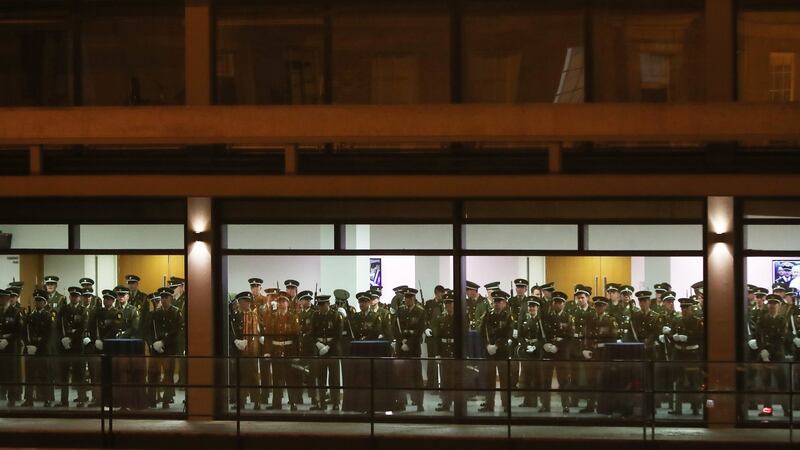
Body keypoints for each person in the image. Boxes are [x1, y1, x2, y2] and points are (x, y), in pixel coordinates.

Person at [751, 294, 789, 417]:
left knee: (782, 384)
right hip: (764, 355)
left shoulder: (782, 320)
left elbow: (781, 339)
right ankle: (767, 410)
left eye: (775, 304)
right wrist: (762, 350)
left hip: (778, 355)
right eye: (771, 304)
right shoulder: (762, 319)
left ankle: (786, 409)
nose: (772, 306)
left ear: (779, 306)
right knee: (766, 383)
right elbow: (758, 335)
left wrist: (768, 351)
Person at [580, 297, 619, 414]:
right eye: (597, 306)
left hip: (604, 354)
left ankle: (604, 406)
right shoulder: (590, 319)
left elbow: (614, 338)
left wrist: (601, 345)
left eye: (601, 306)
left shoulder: (610, 320)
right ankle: (590, 405)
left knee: (603, 381)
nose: (599, 308)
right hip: (592, 354)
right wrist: (584, 349)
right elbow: (585, 336)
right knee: (590, 380)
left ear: (605, 307)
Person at [86, 290, 123, 408]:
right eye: (105, 298)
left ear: (113, 300)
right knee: (96, 375)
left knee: (111, 375)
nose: (106, 301)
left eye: (109, 299)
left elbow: (114, 328)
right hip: (97, 346)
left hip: (110, 347)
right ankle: (97, 398)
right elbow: (91, 327)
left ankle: (112, 399)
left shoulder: (117, 313)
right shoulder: (97, 312)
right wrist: (95, 339)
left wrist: (103, 341)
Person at [263, 292, 299, 411]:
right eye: (279, 302)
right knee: (277, 378)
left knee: (291, 378)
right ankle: (276, 403)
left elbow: (296, 337)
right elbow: (268, 335)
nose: (281, 304)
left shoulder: (293, 317)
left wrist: (295, 354)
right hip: (276, 350)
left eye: (283, 302)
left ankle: (293, 403)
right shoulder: (271, 317)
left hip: (289, 351)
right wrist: (267, 352)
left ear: (288, 303)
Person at [479, 290, 513, 413]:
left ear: (505, 303)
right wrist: (487, 346)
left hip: (502, 352)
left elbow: (508, 334)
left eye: (500, 301)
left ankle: (506, 405)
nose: (497, 304)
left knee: (505, 380)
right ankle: (489, 404)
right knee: (489, 380)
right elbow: (482, 333)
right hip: (489, 352)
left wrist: (496, 346)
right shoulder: (488, 315)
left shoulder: (508, 316)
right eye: (495, 301)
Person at [668, 297, 704, 416]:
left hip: (692, 353)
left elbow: (700, 337)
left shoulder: (697, 321)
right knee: (678, 381)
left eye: (686, 308)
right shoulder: (676, 320)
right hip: (679, 353)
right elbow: (672, 334)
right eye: (682, 308)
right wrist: (673, 337)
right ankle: (677, 408)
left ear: (691, 308)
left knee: (694, 381)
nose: (684, 310)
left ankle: (695, 407)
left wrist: (688, 338)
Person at [392, 287, 426, 412]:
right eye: (406, 298)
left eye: (409, 298)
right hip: (401, 348)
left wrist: (409, 343)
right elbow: (394, 327)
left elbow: (419, 330)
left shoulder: (420, 312)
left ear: (414, 298)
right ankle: (401, 402)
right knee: (400, 377)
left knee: (417, 377)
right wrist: (401, 341)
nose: (407, 300)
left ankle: (419, 403)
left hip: (414, 349)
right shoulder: (400, 311)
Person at [56, 287, 89, 407]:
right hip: (64, 346)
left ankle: (81, 399)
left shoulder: (83, 310)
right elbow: (58, 326)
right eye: (73, 296)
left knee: (79, 374)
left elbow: (83, 328)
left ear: (79, 297)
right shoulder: (63, 309)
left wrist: (71, 338)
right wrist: (62, 338)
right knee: (64, 374)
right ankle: (64, 401)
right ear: (70, 297)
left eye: (77, 296)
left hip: (77, 346)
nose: (74, 298)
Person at [150, 287, 183, 409]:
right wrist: (154, 343)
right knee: (153, 373)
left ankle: (166, 399)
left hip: (169, 348)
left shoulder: (176, 312)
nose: (164, 300)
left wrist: (163, 342)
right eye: (162, 298)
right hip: (156, 348)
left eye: (166, 298)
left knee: (169, 375)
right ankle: (152, 399)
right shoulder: (155, 313)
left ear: (171, 298)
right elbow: (151, 330)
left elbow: (176, 331)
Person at [541, 291, 573, 413]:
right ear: (552, 303)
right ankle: (545, 405)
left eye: (560, 302)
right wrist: (546, 344)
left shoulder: (569, 317)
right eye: (555, 302)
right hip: (548, 352)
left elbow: (569, 337)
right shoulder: (546, 316)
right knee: (546, 380)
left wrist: (558, 346)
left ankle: (566, 405)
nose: (557, 304)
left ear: (564, 304)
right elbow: (543, 333)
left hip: (562, 353)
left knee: (564, 380)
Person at [229, 291, 261, 410]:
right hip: (238, 350)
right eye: (245, 301)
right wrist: (235, 341)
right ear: (240, 302)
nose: (247, 304)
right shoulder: (234, 316)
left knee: (253, 377)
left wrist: (250, 341)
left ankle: (257, 402)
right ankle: (240, 402)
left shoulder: (253, 315)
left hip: (251, 350)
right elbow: (230, 331)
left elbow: (257, 331)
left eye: (248, 301)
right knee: (239, 377)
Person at [22, 290, 53, 407]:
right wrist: (28, 345)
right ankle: (29, 399)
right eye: (37, 300)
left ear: (45, 302)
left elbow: (48, 335)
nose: (38, 302)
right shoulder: (30, 316)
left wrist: (37, 347)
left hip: (42, 350)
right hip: (30, 349)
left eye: (40, 301)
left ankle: (46, 399)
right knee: (30, 375)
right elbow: (24, 332)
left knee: (45, 375)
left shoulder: (48, 316)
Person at [310, 294, 342, 411]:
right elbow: (312, 334)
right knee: (321, 377)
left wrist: (328, 346)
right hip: (320, 349)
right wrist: (318, 345)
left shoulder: (336, 316)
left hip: (332, 350)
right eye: (319, 305)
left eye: (323, 305)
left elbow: (338, 335)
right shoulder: (315, 315)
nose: (321, 307)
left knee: (334, 378)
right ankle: (321, 402)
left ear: (328, 304)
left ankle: (336, 402)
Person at [516, 298, 545, 410]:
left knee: (538, 378)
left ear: (537, 308)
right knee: (527, 377)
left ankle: (543, 403)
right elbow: (520, 336)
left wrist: (535, 346)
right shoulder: (523, 319)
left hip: (537, 352)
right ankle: (528, 401)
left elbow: (543, 337)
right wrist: (525, 346)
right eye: (530, 306)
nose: (531, 308)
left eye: (534, 306)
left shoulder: (540, 320)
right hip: (527, 351)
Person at [432, 291, 456, 412]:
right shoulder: (441, 318)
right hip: (444, 351)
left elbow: (463, 336)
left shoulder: (460, 318)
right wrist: (437, 353)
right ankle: (446, 403)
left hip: (455, 351)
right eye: (446, 303)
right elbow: (437, 337)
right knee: (445, 380)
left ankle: (457, 403)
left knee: (456, 380)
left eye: (450, 303)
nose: (448, 306)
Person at [0, 289, 23, 407]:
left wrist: (7, 340)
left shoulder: (15, 312)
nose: (1, 300)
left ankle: (12, 398)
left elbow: (19, 331)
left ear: (8, 298)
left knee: (11, 374)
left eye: (3, 298)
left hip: (10, 347)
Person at [296, 290, 317, 406]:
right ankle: (298, 398)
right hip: (300, 347)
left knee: (312, 375)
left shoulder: (314, 313)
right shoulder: (297, 314)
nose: (308, 301)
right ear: (301, 302)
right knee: (298, 372)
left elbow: (313, 330)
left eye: (309, 300)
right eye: (306, 300)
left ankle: (314, 398)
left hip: (311, 346)